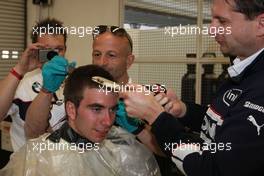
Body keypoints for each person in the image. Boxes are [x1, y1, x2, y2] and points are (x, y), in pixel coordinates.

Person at [119, 0, 264, 175]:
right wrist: (184, 110)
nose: (212, 29)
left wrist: (155, 116)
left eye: (223, 21)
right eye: (212, 20)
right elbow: (227, 121)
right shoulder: (242, 66)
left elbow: (212, 170)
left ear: (261, 24)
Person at [0, 65, 160, 176]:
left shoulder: (121, 152)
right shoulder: (37, 158)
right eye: (96, 109)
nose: (108, 121)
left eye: (112, 109)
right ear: (71, 109)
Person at [1, 18, 74, 152]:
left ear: (66, 49)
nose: (54, 56)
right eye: (47, 50)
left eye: (59, 49)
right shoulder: (21, 82)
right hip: (28, 167)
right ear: (36, 49)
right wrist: (19, 69)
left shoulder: (74, 80)